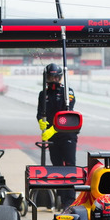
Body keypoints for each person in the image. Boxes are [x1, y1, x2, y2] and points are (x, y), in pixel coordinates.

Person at [37, 63, 77, 209]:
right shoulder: (43, 94)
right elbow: (40, 113)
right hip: (52, 136)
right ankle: (60, 197)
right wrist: (41, 121)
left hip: (67, 134)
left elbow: (66, 116)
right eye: (50, 77)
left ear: (60, 77)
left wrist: (52, 130)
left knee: (69, 166)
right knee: (57, 166)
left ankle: (70, 200)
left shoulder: (68, 92)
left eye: (56, 77)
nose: (53, 80)